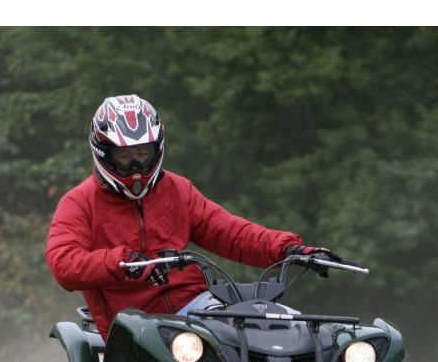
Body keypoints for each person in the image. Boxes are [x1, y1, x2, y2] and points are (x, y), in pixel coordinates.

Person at [46, 94, 339, 340]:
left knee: (294, 329)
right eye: (124, 156)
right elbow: (63, 262)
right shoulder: (79, 202)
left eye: (142, 152)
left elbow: (232, 233)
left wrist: (289, 249)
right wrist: (123, 262)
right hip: (133, 322)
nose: (136, 164)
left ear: (156, 148)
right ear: (103, 153)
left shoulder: (178, 190)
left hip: (197, 306)